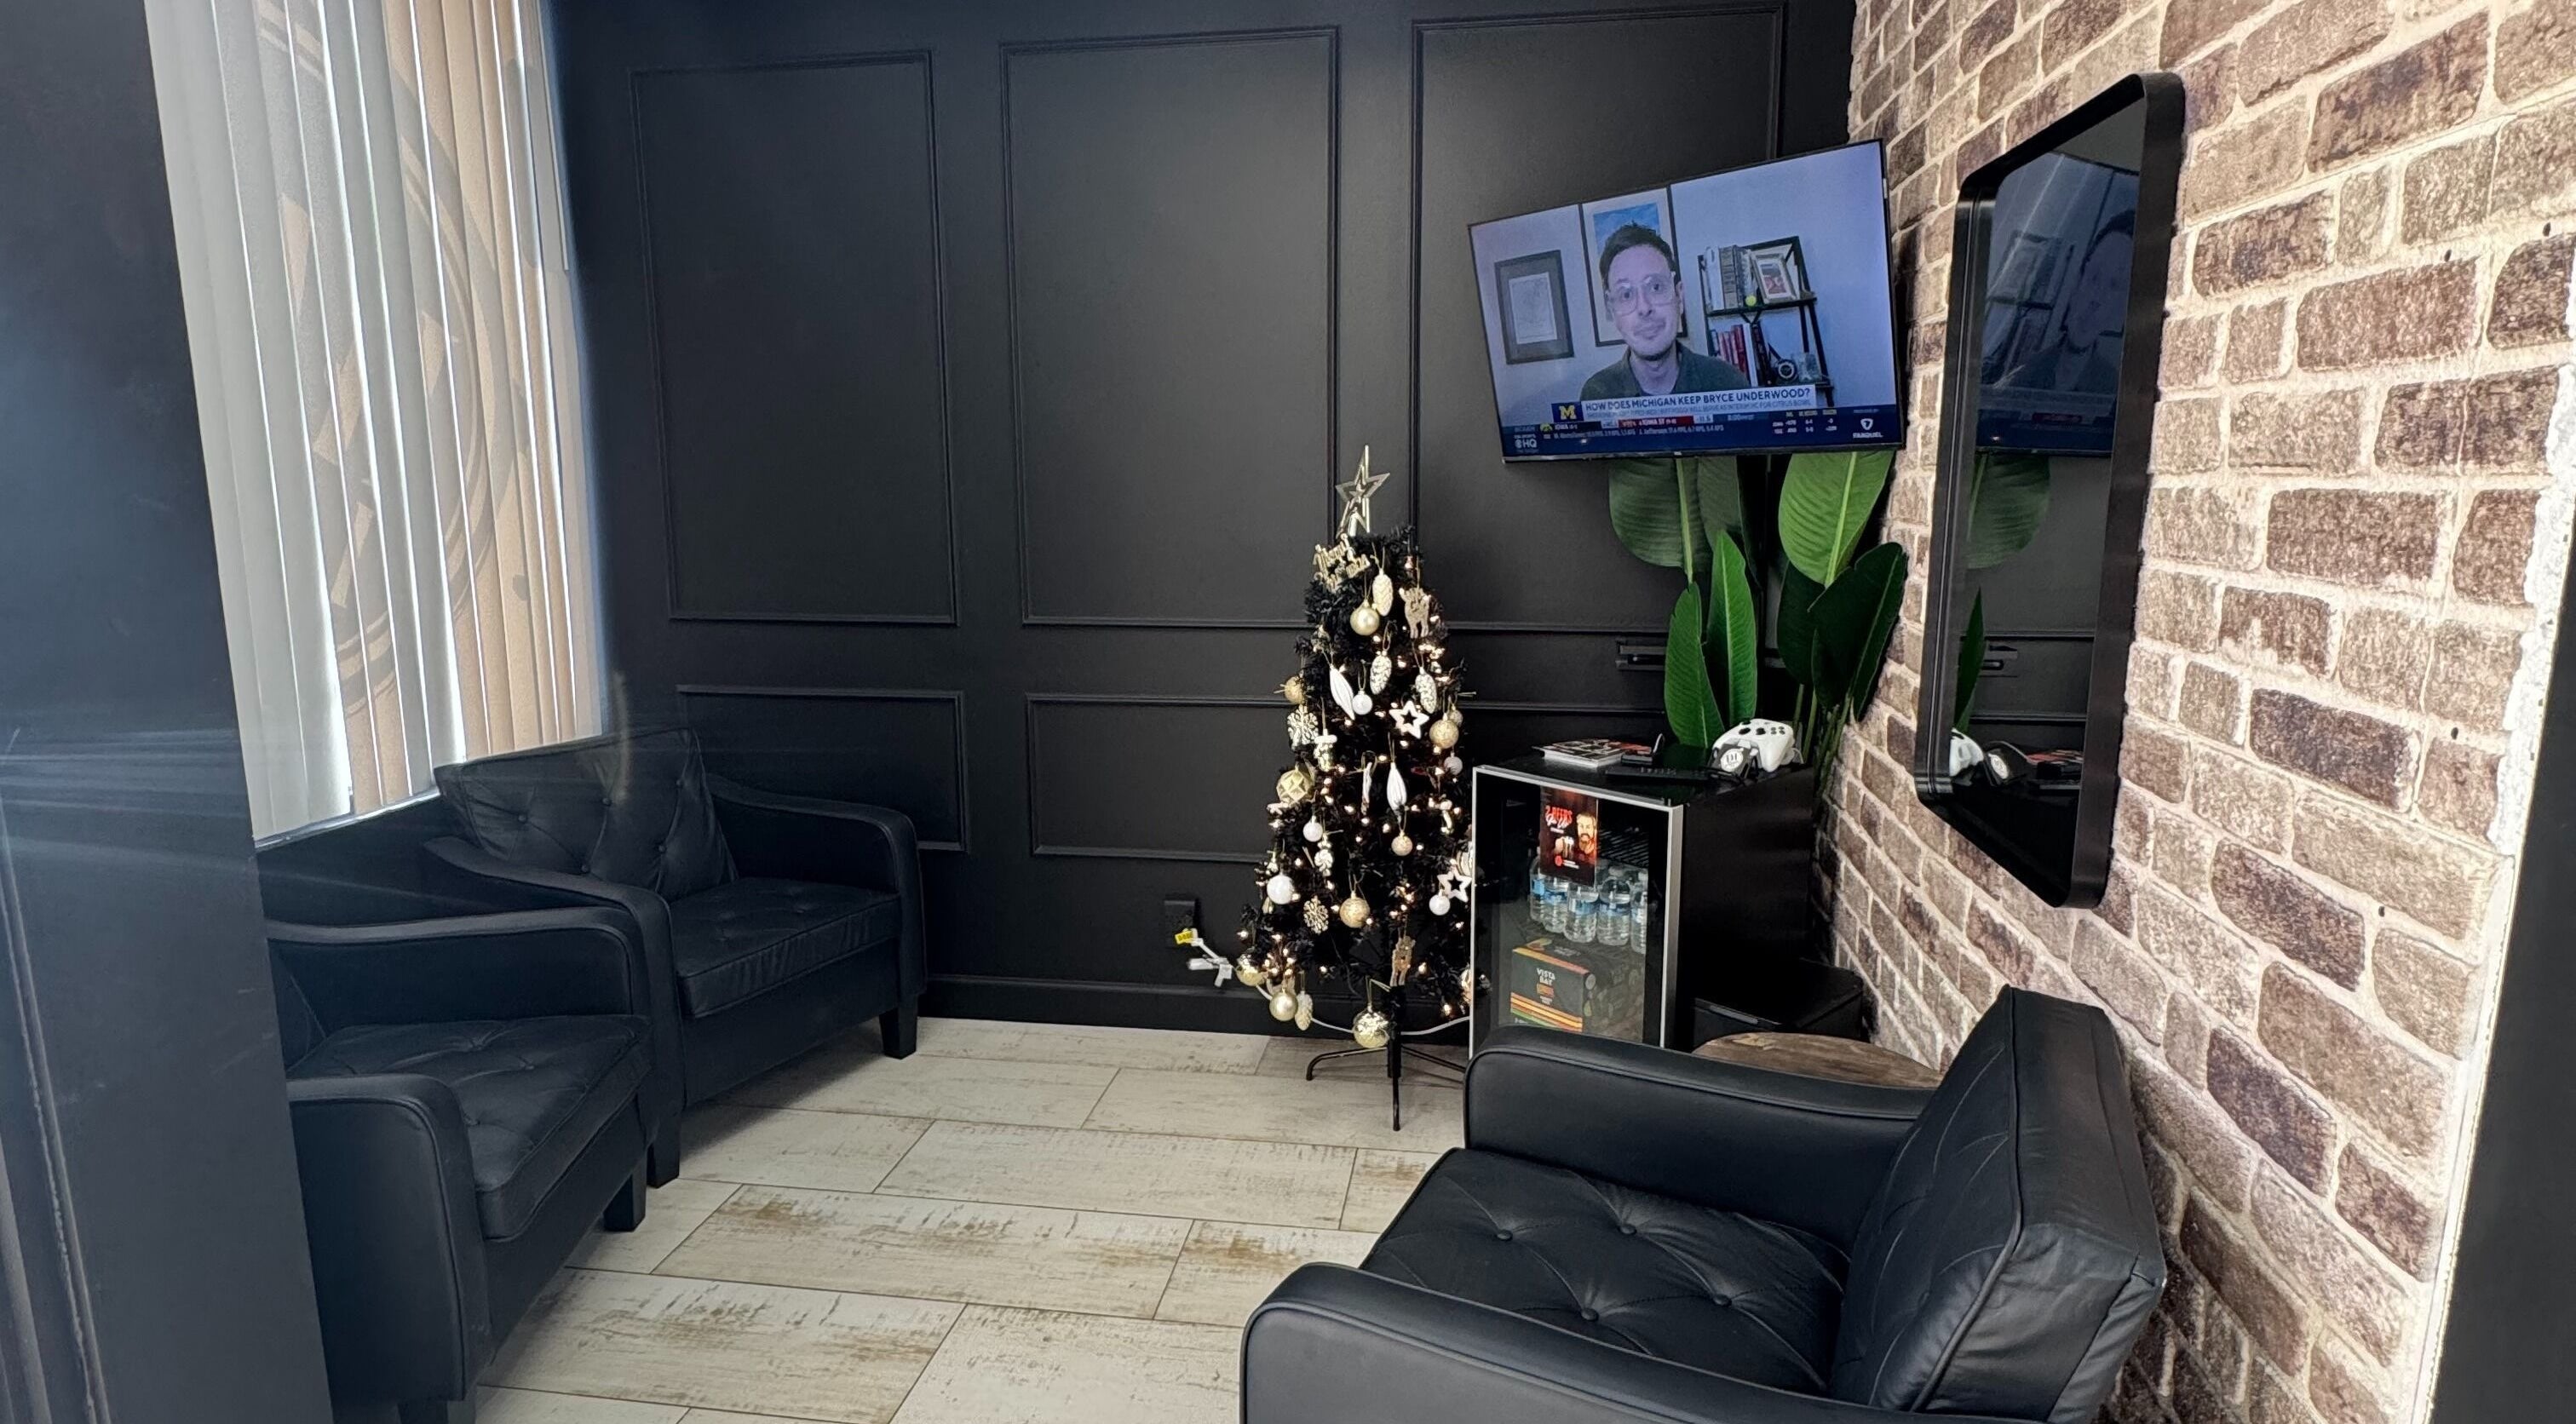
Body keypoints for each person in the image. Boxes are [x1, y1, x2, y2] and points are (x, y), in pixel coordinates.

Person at [1580, 225, 1750, 400]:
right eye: (1626, 294)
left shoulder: (1728, 383)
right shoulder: (1596, 394)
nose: (1644, 308)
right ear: (1613, 311)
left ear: (1679, 297)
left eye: (1656, 287)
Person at [1994, 209, 2132, 394]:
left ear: (2120, 309)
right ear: (2078, 282)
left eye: (2114, 285)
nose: (2095, 299)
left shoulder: (2113, 390)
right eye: (2094, 277)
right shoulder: (2021, 377)